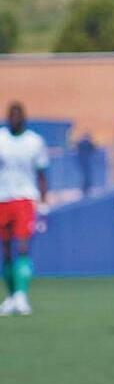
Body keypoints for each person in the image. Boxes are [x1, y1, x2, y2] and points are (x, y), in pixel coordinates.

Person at [0, 102, 49, 316]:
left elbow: (42, 173)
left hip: (25, 198)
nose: (15, 119)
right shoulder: (1, 139)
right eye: (11, 115)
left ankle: (21, 295)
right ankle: (11, 296)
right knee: (6, 250)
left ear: (24, 118)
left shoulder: (34, 141)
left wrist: (44, 203)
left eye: (18, 115)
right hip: (2, 198)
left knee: (22, 246)